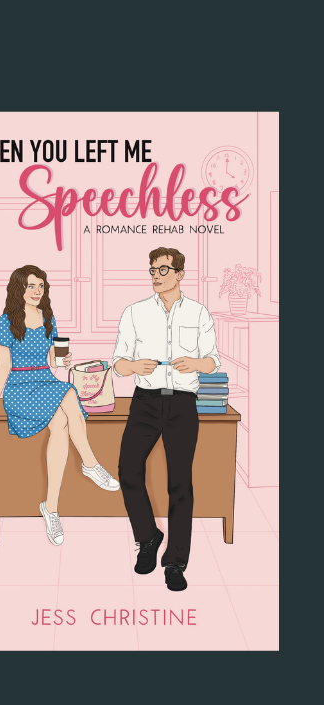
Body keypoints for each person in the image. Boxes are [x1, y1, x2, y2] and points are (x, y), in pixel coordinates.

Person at [0, 264, 120, 546]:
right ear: (19, 289)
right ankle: (90, 464)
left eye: (40, 286)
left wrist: (62, 360)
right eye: (31, 286)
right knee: (67, 399)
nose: (37, 291)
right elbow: (3, 365)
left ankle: (51, 508)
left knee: (62, 423)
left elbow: (53, 359)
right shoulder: (6, 322)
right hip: (20, 386)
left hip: (45, 379)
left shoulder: (48, 318)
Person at [112, 247, 220, 591]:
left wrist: (196, 363)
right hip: (144, 401)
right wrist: (132, 367)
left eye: (163, 269)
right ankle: (148, 537)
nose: (156, 275)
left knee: (180, 485)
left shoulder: (200, 313)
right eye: (153, 270)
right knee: (128, 470)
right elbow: (118, 361)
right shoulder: (134, 312)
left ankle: (175, 562)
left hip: (183, 405)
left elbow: (213, 360)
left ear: (179, 274)